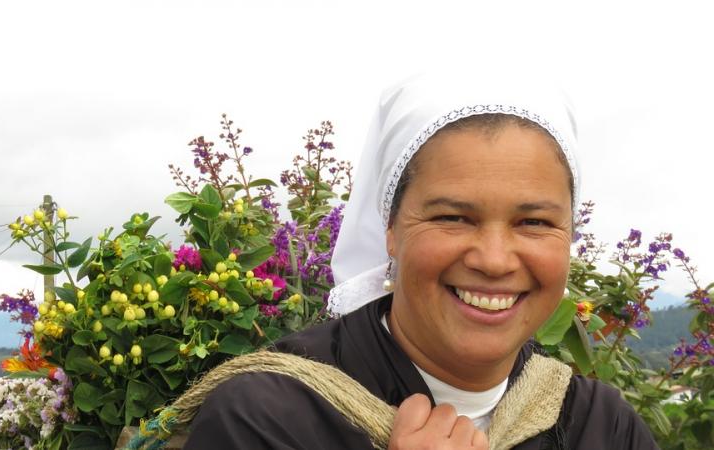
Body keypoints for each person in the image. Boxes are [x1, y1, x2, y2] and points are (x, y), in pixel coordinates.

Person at [183, 73, 659, 449]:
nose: (494, 260)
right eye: (453, 217)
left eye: (533, 222)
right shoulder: (267, 418)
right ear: (390, 229)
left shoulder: (601, 425)